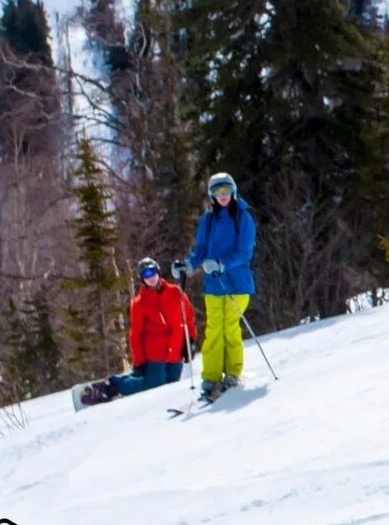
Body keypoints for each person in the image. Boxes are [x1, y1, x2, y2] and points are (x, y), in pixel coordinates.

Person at [79, 258, 198, 405]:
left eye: (153, 272)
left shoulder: (176, 293)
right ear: (142, 279)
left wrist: (190, 341)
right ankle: (113, 386)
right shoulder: (139, 303)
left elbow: (189, 317)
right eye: (146, 275)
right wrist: (139, 361)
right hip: (156, 354)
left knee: (171, 387)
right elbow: (136, 335)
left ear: (159, 272)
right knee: (154, 386)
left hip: (176, 353)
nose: (151, 278)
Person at [184, 171, 257, 400]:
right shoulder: (208, 219)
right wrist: (188, 265)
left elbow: (245, 253)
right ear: (212, 196)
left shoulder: (243, 217)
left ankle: (233, 372)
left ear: (233, 192)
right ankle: (211, 377)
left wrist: (221, 264)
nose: (223, 196)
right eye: (218, 192)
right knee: (214, 329)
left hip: (237, 284)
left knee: (230, 327)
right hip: (214, 285)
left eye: (226, 191)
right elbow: (201, 249)